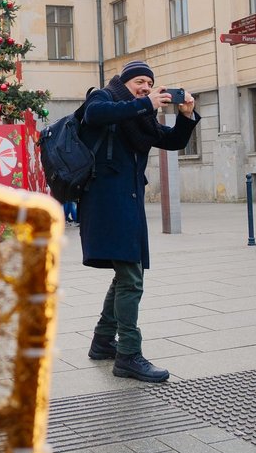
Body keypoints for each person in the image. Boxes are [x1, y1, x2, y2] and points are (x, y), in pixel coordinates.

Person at [79, 60, 200, 383]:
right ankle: (129, 355)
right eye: (140, 82)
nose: (146, 87)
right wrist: (145, 103)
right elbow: (95, 116)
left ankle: (103, 341)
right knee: (131, 275)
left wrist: (186, 116)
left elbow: (171, 141)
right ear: (126, 82)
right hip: (107, 201)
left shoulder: (140, 117)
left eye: (150, 83)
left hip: (127, 199)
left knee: (125, 273)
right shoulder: (102, 97)